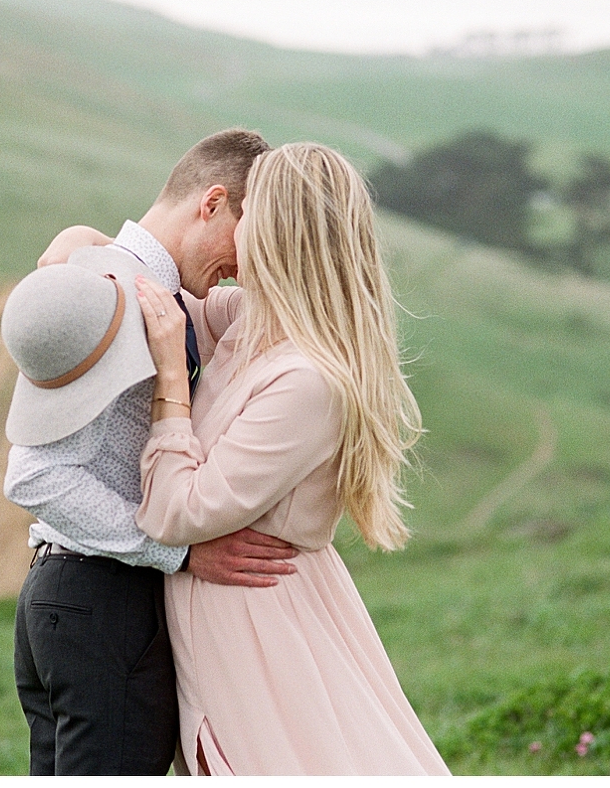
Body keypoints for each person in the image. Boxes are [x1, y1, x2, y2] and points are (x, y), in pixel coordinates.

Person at [131, 142, 451, 775]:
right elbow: (172, 295)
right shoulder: (258, 324)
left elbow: (177, 512)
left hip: (260, 631)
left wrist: (172, 378)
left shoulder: (307, 382)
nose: (236, 223)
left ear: (275, 231)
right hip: (240, 621)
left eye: (247, 211)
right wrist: (84, 247)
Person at [1, 129, 299, 776]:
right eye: (247, 234)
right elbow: (35, 474)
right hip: (100, 600)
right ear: (213, 202)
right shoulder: (112, 295)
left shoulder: (141, 287)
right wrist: (181, 552)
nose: (245, 265)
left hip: (74, 600)